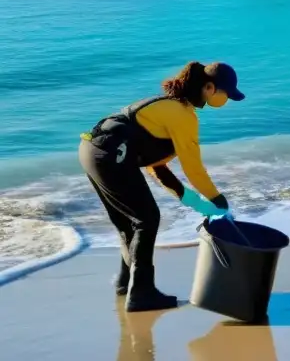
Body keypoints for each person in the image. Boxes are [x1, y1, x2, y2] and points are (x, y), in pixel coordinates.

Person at [79, 61, 244, 312]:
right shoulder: (183, 115)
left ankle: (128, 284)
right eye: (226, 94)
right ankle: (142, 293)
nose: (226, 100)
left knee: (129, 222)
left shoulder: (167, 107)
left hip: (93, 152)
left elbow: (156, 166)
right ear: (209, 87)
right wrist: (217, 199)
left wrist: (189, 199)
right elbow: (193, 168)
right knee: (147, 219)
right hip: (111, 156)